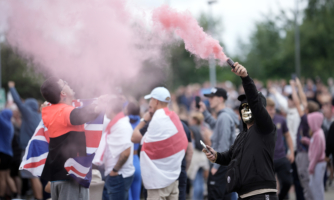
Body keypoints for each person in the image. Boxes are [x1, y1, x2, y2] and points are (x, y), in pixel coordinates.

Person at [204, 62, 278, 200]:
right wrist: (216, 156)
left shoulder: (265, 128)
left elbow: (255, 103)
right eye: (242, 106)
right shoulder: (242, 135)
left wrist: (245, 78)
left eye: (248, 106)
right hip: (243, 195)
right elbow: (230, 156)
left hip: (262, 194)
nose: (245, 109)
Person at [39, 77, 107, 200]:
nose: (68, 83)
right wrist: (100, 105)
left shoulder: (49, 111)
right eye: (64, 83)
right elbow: (80, 115)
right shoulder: (65, 112)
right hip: (70, 177)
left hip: (59, 176)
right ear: (63, 93)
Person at [131, 87, 188, 200]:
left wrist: (144, 119)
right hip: (173, 179)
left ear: (156, 101)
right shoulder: (174, 117)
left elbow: (134, 137)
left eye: (151, 100)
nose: (149, 103)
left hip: (157, 183)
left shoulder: (156, 120)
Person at [198, 87, 239, 200]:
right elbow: (217, 128)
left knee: (216, 196)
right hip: (226, 163)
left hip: (221, 164)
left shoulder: (224, 116)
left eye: (212, 97)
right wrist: (205, 112)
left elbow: (224, 144)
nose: (209, 100)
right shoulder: (225, 115)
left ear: (220, 99)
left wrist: (216, 165)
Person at [8, 81, 43, 200]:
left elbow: (18, 102)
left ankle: (39, 198)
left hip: (30, 150)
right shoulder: (36, 115)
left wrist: (12, 88)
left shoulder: (29, 114)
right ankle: (36, 197)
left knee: (33, 177)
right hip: (35, 149)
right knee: (33, 176)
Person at [102, 99, 135, 200]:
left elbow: (126, 152)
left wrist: (114, 170)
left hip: (118, 176)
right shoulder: (116, 123)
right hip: (116, 176)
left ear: (110, 108)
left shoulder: (122, 125)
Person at [293, 79, 319, 200]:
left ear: (307, 110)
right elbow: (303, 101)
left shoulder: (306, 119)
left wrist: (293, 87)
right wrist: (299, 86)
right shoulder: (314, 118)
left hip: (304, 153)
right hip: (310, 152)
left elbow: (298, 103)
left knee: (305, 180)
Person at [266, 98, 294, 200]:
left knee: (288, 182)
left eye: (273, 109)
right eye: (270, 109)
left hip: (282, 157)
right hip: (267, 160)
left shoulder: (281, 120)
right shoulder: (259, 123)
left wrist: (291, 152)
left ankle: (282, 197)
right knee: (270, 187)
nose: (273, 111)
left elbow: (287, 135)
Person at [301, 112, 326, 200]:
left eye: (311, 122)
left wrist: (311, 166)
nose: (309, 124)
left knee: (316, 188)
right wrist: (307, 140)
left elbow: (317, 152)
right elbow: (313, 144)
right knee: (314, 186)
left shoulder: (317, 135)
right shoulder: (317, 133)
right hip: (317, 164)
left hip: (317, 164)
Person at [187, 112, 210, 200]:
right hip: (203, 157)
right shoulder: (204, 129)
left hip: (195, 157)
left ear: (195, 120)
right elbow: (208, 144)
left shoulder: (191, 130)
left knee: (196, 182)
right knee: (200, 181)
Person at [0, 109, 18, 200]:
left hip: (3, 154)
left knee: (2, 177)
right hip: (8, 154)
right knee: (7, 176)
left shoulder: (5, 125)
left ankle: (1, 196)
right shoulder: (10, 125)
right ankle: (15, 194)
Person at [126, 102, 142, 200]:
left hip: (127, 161)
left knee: (128, 197)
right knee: (137, 197)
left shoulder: (124, 123)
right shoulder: (141, 124)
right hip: (137, 161)